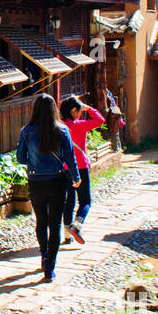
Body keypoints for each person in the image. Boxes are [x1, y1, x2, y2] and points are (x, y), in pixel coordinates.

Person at [16, 93, 81, 283]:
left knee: (41, 221)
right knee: (55, 224)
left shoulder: (26, 131)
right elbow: (70, 157)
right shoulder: (62, 130)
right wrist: (76, 178)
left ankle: (44, 255)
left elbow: (20, 159)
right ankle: (50, 266)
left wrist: (34, 163)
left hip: (36, 181)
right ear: (54, 109)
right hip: (57, 181)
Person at [59, 95, 105, 245]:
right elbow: (100, 120)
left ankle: (67, 235)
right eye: (79, 111)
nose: (80, 113)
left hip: (64, 167)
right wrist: (89, 108)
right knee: (85, 200)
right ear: (73, 111)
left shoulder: (60, 126)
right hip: (80, 167)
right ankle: (77, 225)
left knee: (69, 201)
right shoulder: (80, 125)